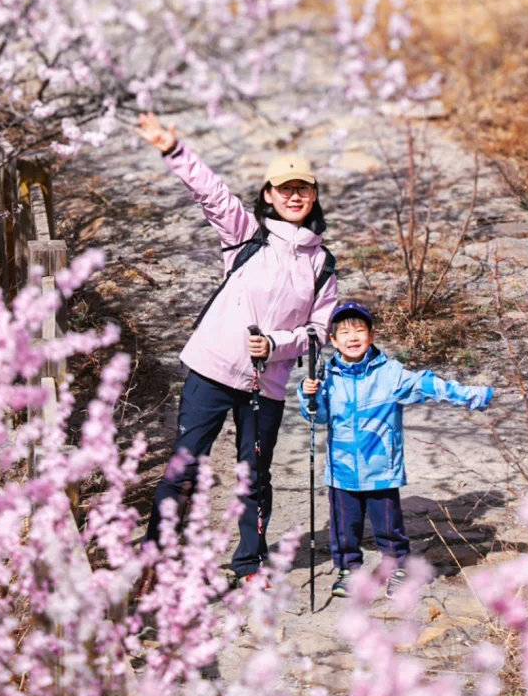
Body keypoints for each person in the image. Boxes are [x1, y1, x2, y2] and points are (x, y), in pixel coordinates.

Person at [138, 111, 338, 585]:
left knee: (254, 475)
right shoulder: (247, 234)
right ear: (268, 194)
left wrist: (276, 343)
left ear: (313, 197)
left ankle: (250, 563)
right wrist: (173, 149)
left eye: (302, 189)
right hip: (212, 369)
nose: (293, 196)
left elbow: (321, 330)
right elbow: (209, 192)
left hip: (264, 384)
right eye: (284, 188)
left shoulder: (322, 262)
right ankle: (154, 560)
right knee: (184, 467)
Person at [299, 300, 493, 598]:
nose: (353, 337)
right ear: (334, 341)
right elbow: (319, 415)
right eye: (345, 333)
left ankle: (398, 568)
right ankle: (349, 570)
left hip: (381, 469)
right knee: (344, 528)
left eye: (360, 330)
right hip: (341, 471)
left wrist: (472, 395)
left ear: (371, 336)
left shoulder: (390, 374)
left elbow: (427, 385)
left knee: (389, 526)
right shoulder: (326, 378)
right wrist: (306, 394)